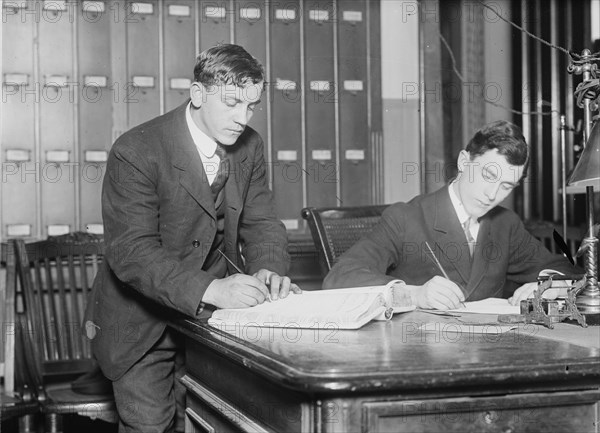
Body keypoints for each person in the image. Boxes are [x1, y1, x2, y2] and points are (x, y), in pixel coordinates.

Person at [83, 44, 300, 433]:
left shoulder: (249, 146)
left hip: (212, 325)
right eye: (231, 103)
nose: (242, 118)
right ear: (198, 94)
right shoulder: (137, 150)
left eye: (251, 106)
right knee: (152, 426)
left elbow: (262, 222)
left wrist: (268, 269)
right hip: (140, 326)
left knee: (215, 421)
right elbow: (132, 252)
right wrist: (213, 289)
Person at [323, 120, 580, 309]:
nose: (492, 195)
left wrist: (548, 286)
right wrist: (414, 295)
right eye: (488, 176)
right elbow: (340, 277)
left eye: (506, 186)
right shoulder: (406, 217)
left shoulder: (505, 224)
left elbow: (565, 269)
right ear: (464, 162)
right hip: (418, 359)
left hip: (490, 356)